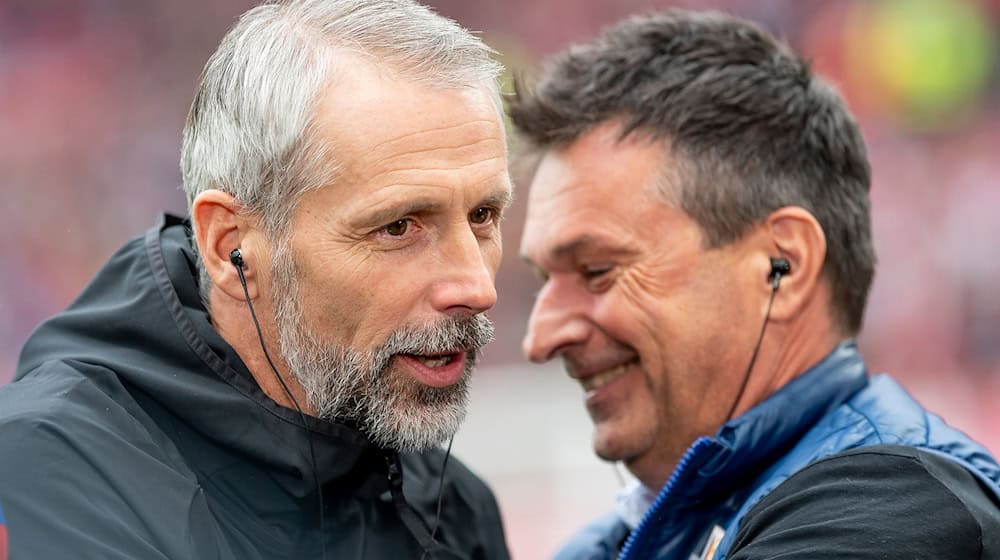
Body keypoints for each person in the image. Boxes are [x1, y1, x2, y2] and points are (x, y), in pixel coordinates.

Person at [0, 1, 512, 558]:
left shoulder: (454, 509)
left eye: (483, 216)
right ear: (230, 246)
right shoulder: (45, 479)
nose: (476, 289)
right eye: (397, 227)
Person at [511, 9, 1000, 560]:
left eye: (597, 271)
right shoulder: (609, 543)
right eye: (543, 281)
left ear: (782, 265)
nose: (541, 337)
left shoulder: (896, 509)